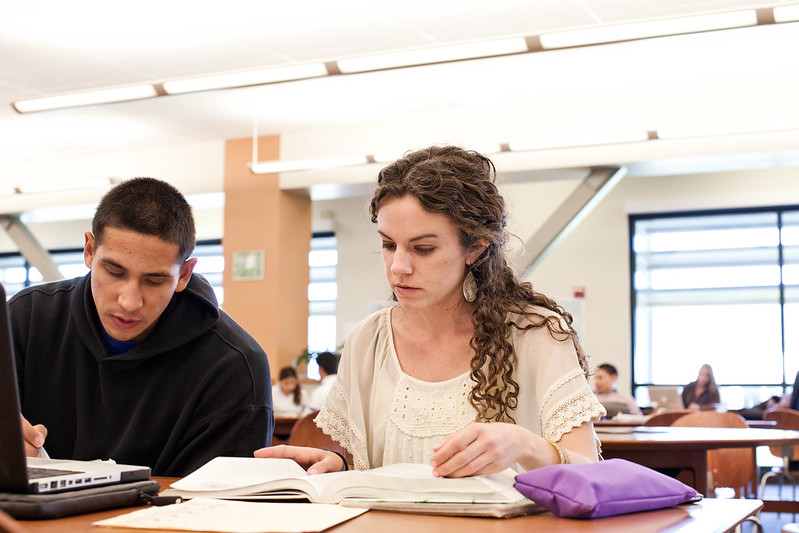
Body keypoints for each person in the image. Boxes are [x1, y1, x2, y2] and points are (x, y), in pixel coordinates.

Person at [255, 145, 604, 476]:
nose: (398, 267)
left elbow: (590, 475)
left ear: (476, 248)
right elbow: (375, 477)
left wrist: (526, 445)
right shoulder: (369, 341)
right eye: (389, 244)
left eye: (423, 249)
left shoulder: (535, 333)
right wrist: (340, 470)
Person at [13, 177, 273, 477]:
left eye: (154, 281)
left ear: (184, 274)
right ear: (89, 250)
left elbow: (213, 508)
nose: (129, 301)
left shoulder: (234, 367)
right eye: (114, 271)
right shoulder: (25, 320)